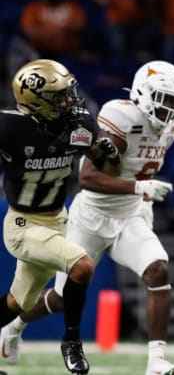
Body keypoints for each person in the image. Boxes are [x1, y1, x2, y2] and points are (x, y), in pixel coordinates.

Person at [0, 60, 174, 375]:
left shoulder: (171, 127)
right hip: (92, 214)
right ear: (143, 93)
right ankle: (14, 326)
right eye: (163, 99)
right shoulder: (120, 116)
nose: (168, 109)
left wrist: (137, 191)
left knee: (158, 270)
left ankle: (156, 363)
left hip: (131, 214)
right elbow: (88, 178)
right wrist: (138, 185)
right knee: (61, 297)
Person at [0, 59, 122, 374]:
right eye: (59, 96)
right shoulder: (11, 127)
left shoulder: (79, 123)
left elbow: (107, 165)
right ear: (35, 102)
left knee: (18, 304)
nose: (69, 101)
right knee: (82, 266)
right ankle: (72, 342)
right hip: (23, 225)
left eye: (68, 93)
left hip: (57, 221)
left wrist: (107, 155)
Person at [20, 0, 86, 57]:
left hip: (69, 51)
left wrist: (52, 32)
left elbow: (79, 25)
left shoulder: (72, 6)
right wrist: (55, 33)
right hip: (41, 51)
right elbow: (29, 30)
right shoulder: (33, 8)